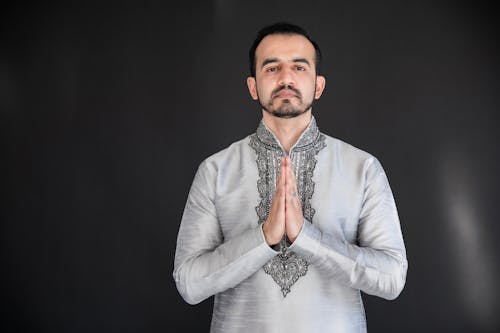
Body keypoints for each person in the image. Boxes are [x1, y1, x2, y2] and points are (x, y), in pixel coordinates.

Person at [173, 22, 408, 332]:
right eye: (271, 68)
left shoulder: (362, 168)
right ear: (253, 86)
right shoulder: (216, 170)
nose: (286, 78)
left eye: (299, 67)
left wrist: (306, 238)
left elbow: (392, 278)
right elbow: (189, 283)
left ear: (318, 85)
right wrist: (263, 238)